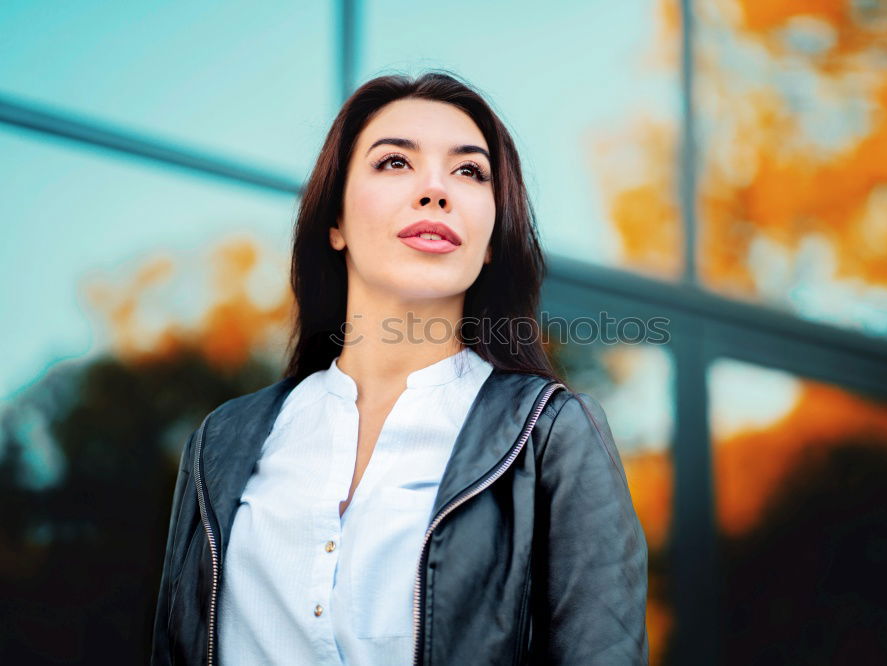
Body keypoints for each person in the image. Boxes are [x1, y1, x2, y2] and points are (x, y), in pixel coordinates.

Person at [150, 71, 648, 665]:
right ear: (334, 222)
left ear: (491, 238)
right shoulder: (220, 444)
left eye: (469, 171)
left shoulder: (550, 434)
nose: (436, 190)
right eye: (394, 163)